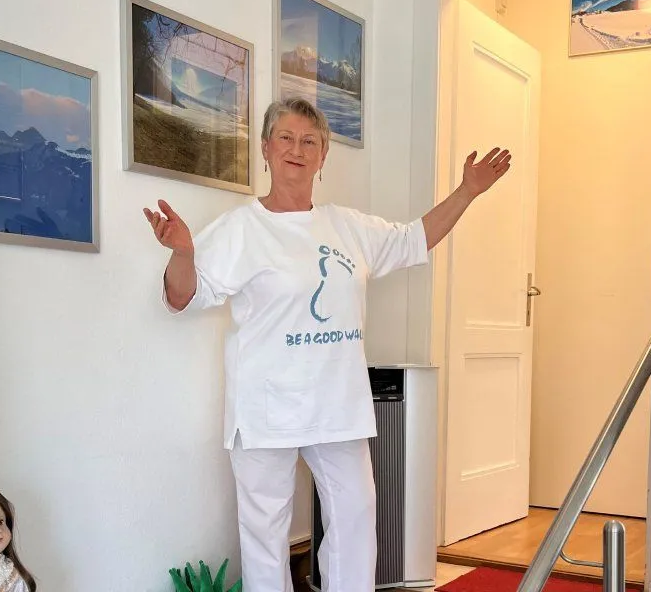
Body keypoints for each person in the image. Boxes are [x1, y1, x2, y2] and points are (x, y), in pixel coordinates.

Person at [144, 97, 510, 592]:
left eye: (309, 141)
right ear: (266, 148)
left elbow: (413, 240)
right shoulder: (241, 228)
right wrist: (184, 252)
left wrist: (467, 192)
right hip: (266, 407)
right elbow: (181, 297)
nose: (297, 149)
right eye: (286, 138)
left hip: (336, 402)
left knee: (356, 518)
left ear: (323, 156)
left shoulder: (347, 226)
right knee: (264, 535)